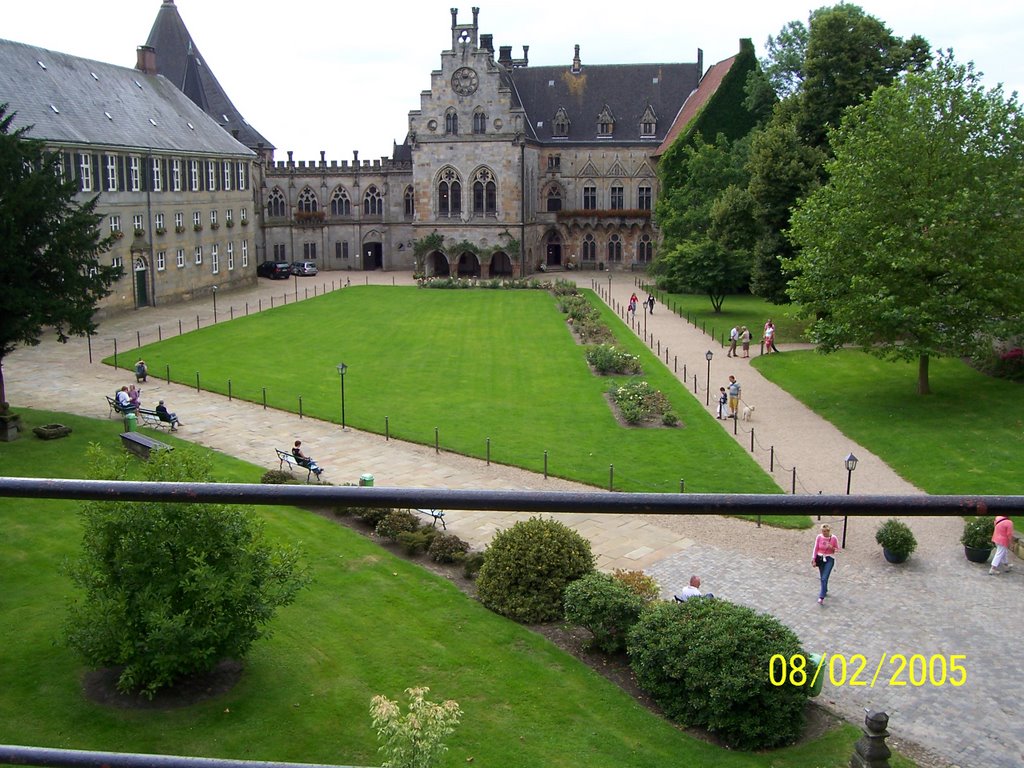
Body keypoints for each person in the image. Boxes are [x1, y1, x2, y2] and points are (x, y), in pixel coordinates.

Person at [812, 524, 840, 605]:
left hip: (829, 558)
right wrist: (813, 559)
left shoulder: (833, 538)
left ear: (828, 531)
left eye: (825, 531)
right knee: (822, 577)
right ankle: (825, 589)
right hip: (820, 558)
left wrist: (832, 547)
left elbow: (837, 550)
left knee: (824, 577)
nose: (823, 533)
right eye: (822, 531)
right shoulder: (819, 537)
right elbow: (816, 548)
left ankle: (821, 596)